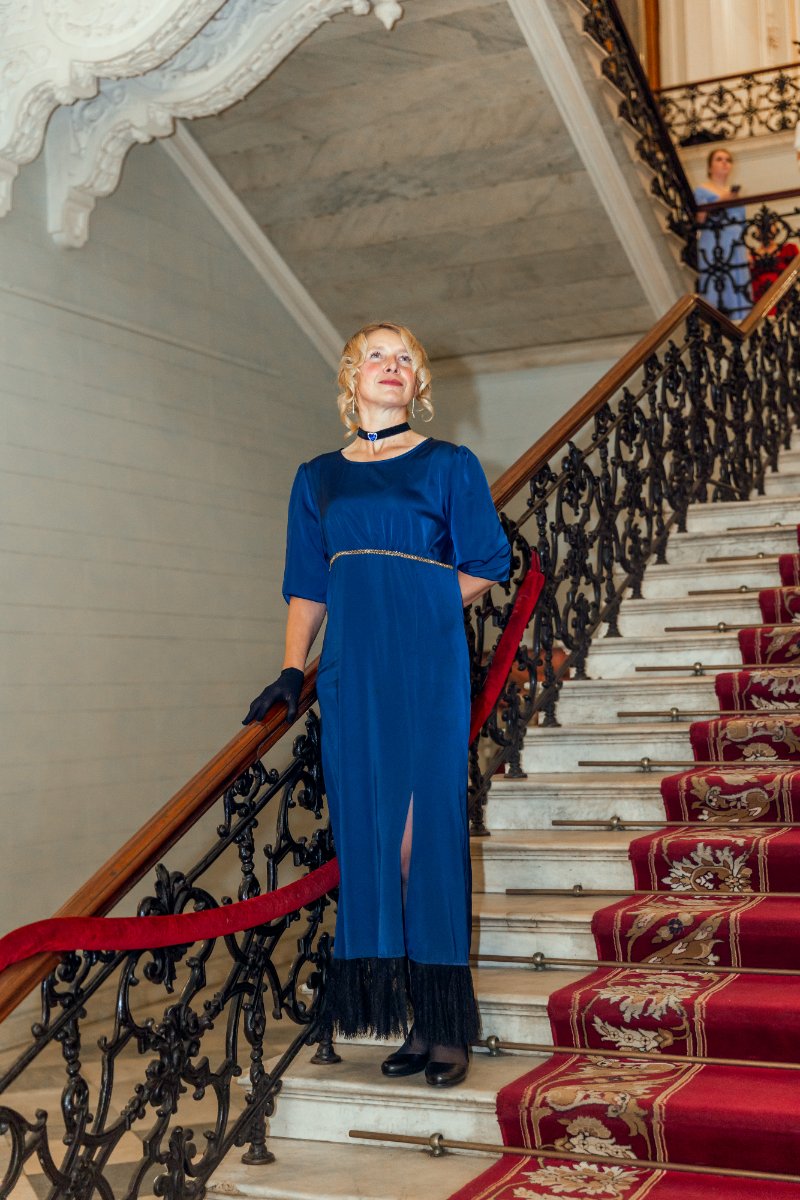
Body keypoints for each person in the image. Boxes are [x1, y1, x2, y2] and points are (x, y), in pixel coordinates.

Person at [244, 322, 510, 1088]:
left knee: (423, 838)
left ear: (417, 383)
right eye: (376, 356)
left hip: (425, 663)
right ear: (351, 377)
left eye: (404, 358)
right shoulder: (317, 477)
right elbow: (308, 583)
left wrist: (419, 605)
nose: (391, 366)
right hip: (351, 670)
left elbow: (487, 561)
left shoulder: (449, 464)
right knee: (373, 839)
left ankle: (444, 1022)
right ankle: (412, 1012)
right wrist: (291, 668)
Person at [695, 147, 751, 319]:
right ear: (709, 167)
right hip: (714, 242)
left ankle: (741, 322)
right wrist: (721, 200)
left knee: (738, 281)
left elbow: (742, 224)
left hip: (736, 244)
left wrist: (747, 250)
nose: (724, 163)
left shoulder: (735, 195)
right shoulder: (701, 190)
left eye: (728, 160)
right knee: (717, 281)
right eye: (719, 159)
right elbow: (699, 219)